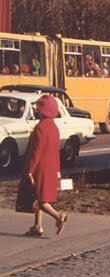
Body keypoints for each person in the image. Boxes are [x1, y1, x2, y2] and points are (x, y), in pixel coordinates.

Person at [22, 94, 67, 237]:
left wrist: (30, 170)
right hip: (51, 167)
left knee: (41, 201)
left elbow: (36, 151)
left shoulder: (40, 127)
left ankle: (58, 216)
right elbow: (55, 151)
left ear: (42, 111)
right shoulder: (54, 127)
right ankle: (37, 226)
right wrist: (58, 170)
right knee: (39, 196)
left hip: (40, 167)